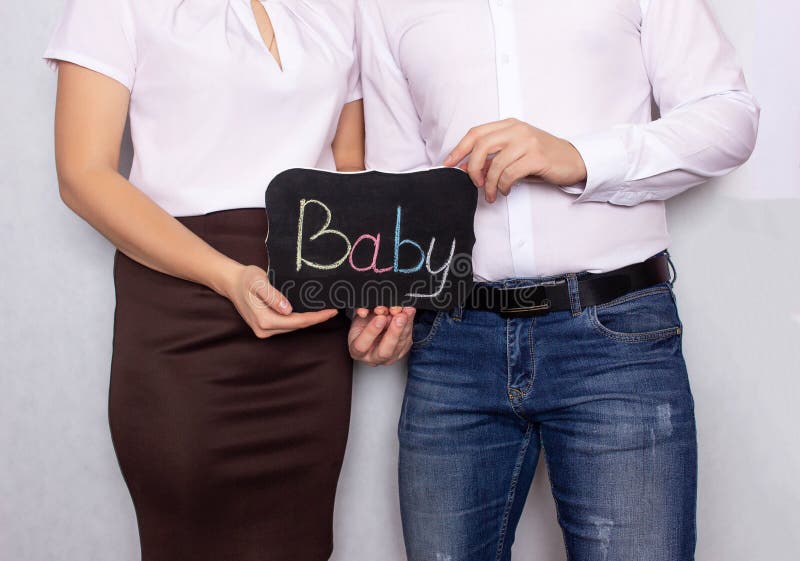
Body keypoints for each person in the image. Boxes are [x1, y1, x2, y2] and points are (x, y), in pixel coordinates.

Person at [358, 1, 760, 560]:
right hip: (451, 345)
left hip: (615, 339)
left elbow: (729, 115)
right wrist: (386, 307)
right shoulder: (386, 8)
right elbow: (401, 180)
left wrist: (581, 158)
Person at [44, 0, 409, 559]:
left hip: (305, 327)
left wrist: (373, 292)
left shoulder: (338, 7)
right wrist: (227, 276)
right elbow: (83, 174)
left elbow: (349, 165)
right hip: (180, 318)